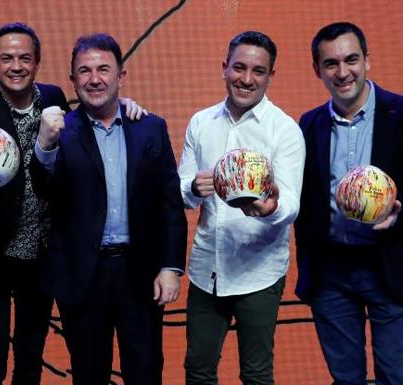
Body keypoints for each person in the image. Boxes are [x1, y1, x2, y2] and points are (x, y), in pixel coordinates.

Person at [0, 23, 146, 385]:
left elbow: (94, 110)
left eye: (25, 58)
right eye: (7, 58)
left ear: (38, 62)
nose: (16, 66)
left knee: (31, 354)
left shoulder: (55, 97)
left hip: (44, 255)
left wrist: (124, 102)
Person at [32, 32, 187, 385]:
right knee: (88, 375)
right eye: (84, 71)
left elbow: (169, 206)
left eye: (104, 69)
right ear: (73, 80)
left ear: (121, 76)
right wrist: (43, 145)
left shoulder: (150, 127)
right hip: (82, 278)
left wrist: (170, 267)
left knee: (146, 372)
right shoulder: (57, 132)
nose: (94, 78)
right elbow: (42, 192)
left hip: (141, 274)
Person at [178, 31, 305, 385]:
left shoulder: (285, 131)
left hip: (259, 272)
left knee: (256, 374)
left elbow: (291, 202)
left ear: (270, 76)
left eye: (258, 71)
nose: (246, 79)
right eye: (239, 67)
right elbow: (181, 193)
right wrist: (191, 187)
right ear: (224, 69)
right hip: (207, 270)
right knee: (199, 371)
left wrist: (271, 209)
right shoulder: (201, 123)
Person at [294, 22, 403, 384]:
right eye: (331, 64)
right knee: (346, 379)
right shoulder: (308, 125)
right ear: (317, 71)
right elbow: (304, 200)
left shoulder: (401, 114)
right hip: (331, 273)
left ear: (367, 61)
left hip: (391, 267)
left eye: (351, 59)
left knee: (396, 374)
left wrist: (400, 218)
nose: (343, 72)